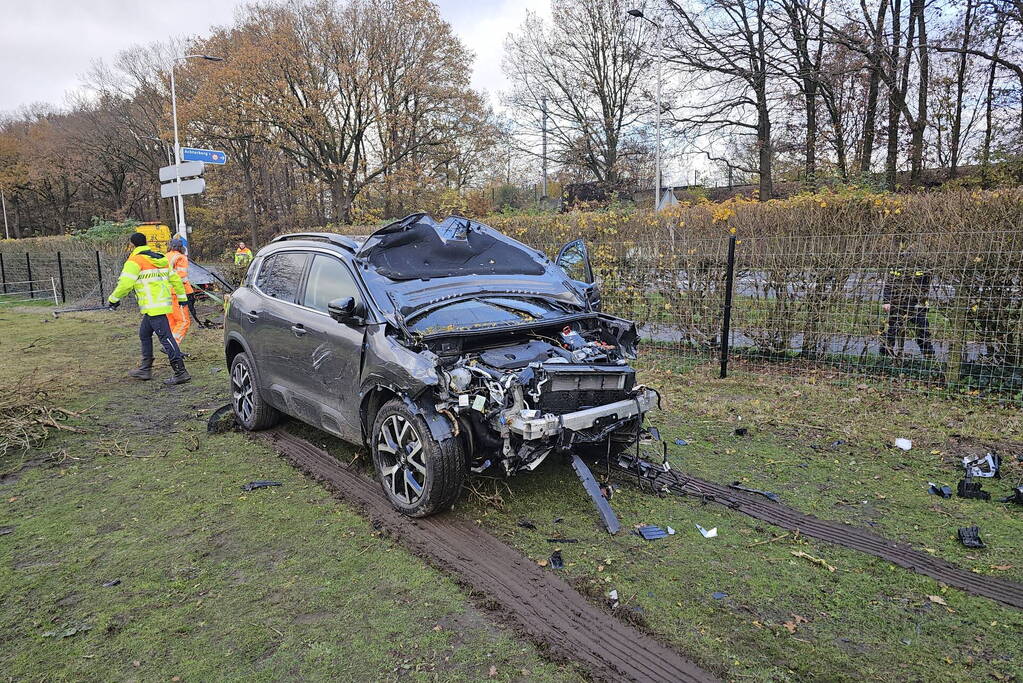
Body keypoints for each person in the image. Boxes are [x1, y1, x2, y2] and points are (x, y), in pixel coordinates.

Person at [107, 232, 191, 384]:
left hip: (153, 306)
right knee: (144, 334)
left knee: (167, 339)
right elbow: (176, 280)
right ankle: (146, 368)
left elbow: (126, 284)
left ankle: (181, 372)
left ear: (132, 245)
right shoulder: (160, 257)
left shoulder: (135, 260)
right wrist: (182, 298)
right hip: (160, 304)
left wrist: (113, 299)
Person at [880, 258, 935, 359]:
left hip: (916, 302)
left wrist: (923, 300)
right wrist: (887, 301)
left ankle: (928, 355)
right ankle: (885, 354)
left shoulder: (923, 263)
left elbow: (926, 284)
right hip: (897, 301)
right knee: (893, 327)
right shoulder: (898, 264)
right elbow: (889, 283)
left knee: (922, 327)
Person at [166, 237, 199, 322]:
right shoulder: (181, 257)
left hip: (167, 289)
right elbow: (182, 276)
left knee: (171, 314)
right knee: (184, 315)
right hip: (181, 289)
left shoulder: (166, 256)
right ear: (181, 248)